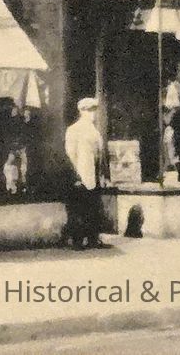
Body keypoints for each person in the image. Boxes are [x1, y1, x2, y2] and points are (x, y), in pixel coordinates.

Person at [63, 96, 105, 249]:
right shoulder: (74, 130)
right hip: (79, 176)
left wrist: (100, 174)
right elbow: (70, 154)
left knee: (92, 209)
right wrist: (75, 175)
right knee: (78, 210)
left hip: (93, 176)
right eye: (89, 110)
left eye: (94, 110)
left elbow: (99, 154)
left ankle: (93, 238)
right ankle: (77, 241)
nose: (92, 114)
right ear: (81, 111)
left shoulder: (95, 132)